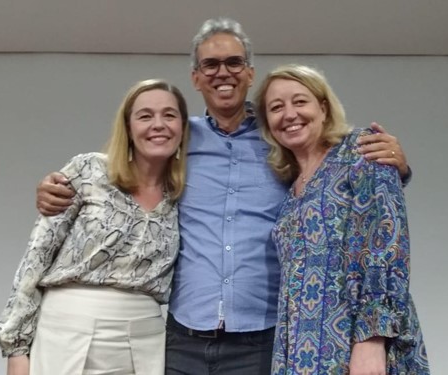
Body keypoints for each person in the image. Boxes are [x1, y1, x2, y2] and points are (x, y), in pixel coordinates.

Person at [34, 18, 412, 375]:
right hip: (183, 336)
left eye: (234, 62)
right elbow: (125, 171)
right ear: (196, 78)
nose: (222, 72)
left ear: (250, 72)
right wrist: (61, 185)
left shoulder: (281, 138)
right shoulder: (178, 139)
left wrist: (397, 167)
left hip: (262, 336)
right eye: (210, 64)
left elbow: (332, 180)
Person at [0, 79, 190, 375]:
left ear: (183, 127)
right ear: (127, 127)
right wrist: (16, 349)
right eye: (145, 115)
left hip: (145, 338)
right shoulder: (89, 171)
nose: (158, 124)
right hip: (67, 330)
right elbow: (37, 256)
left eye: (170, 115)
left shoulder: (184, 194)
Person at [253, 64, 429, 375]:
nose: (289, 114)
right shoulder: (290, 187)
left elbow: (387, 245)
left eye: (299, 101)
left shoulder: (362, 149)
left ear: (322, 107)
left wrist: (371, 340)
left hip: (358, 345)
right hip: (297, 351)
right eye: (276, 108)